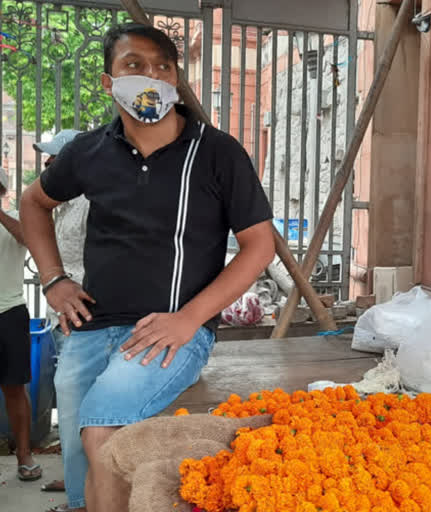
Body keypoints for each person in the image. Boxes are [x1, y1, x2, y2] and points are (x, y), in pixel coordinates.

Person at [20, 23, 275, 512]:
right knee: (76, 438)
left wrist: (189, 320)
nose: (151, 76)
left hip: (173, 330)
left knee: (103, 426)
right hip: (92, 325)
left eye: (163, 67)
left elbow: (258, 246)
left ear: (177, 80)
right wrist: (54, 280)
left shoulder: (217, 153)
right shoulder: (89, 151)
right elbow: (35, 203)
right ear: (108, 81)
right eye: (134, 65)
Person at [31, 130, 85, 504]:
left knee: (77, 406)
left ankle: (82, 493)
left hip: (81, 317)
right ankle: (75, 482)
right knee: (70, 406)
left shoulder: (89, 205)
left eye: (54, 159)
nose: (47, 164)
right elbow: (33, 234)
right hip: (63, 319)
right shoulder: (61, 205)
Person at [0, 168, 41, 482]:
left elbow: (29, 239)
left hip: (10, 313)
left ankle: (24, 456)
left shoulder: (13, 218)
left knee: (15, 387)